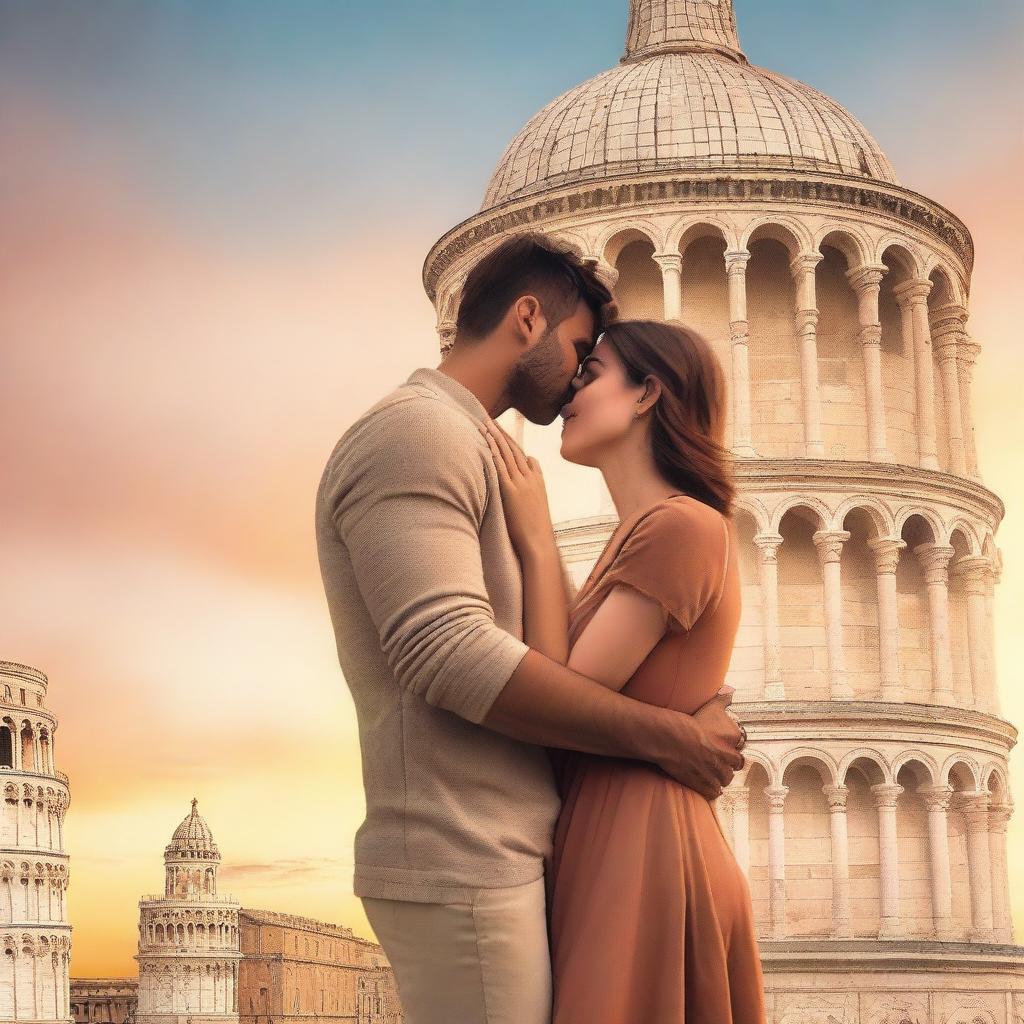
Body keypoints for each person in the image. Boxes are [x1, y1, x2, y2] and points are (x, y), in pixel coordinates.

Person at [315, 232, 747, 1024]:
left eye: (596, 364)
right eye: (579, 348)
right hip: (465, 853)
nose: (579, 374)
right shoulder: (418, 432)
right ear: (526, 319)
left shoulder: (473, 448)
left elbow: (569, 661)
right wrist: (670, 735)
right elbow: (446, 654)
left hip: (510, 850)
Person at [480, 318, 766, 1023]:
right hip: (623, 834)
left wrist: (536, 541)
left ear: (646, 395)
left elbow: (563, 697)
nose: (569, 391)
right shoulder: (649, 530)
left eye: (592, 371)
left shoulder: (679, 526)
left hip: (640, 847)